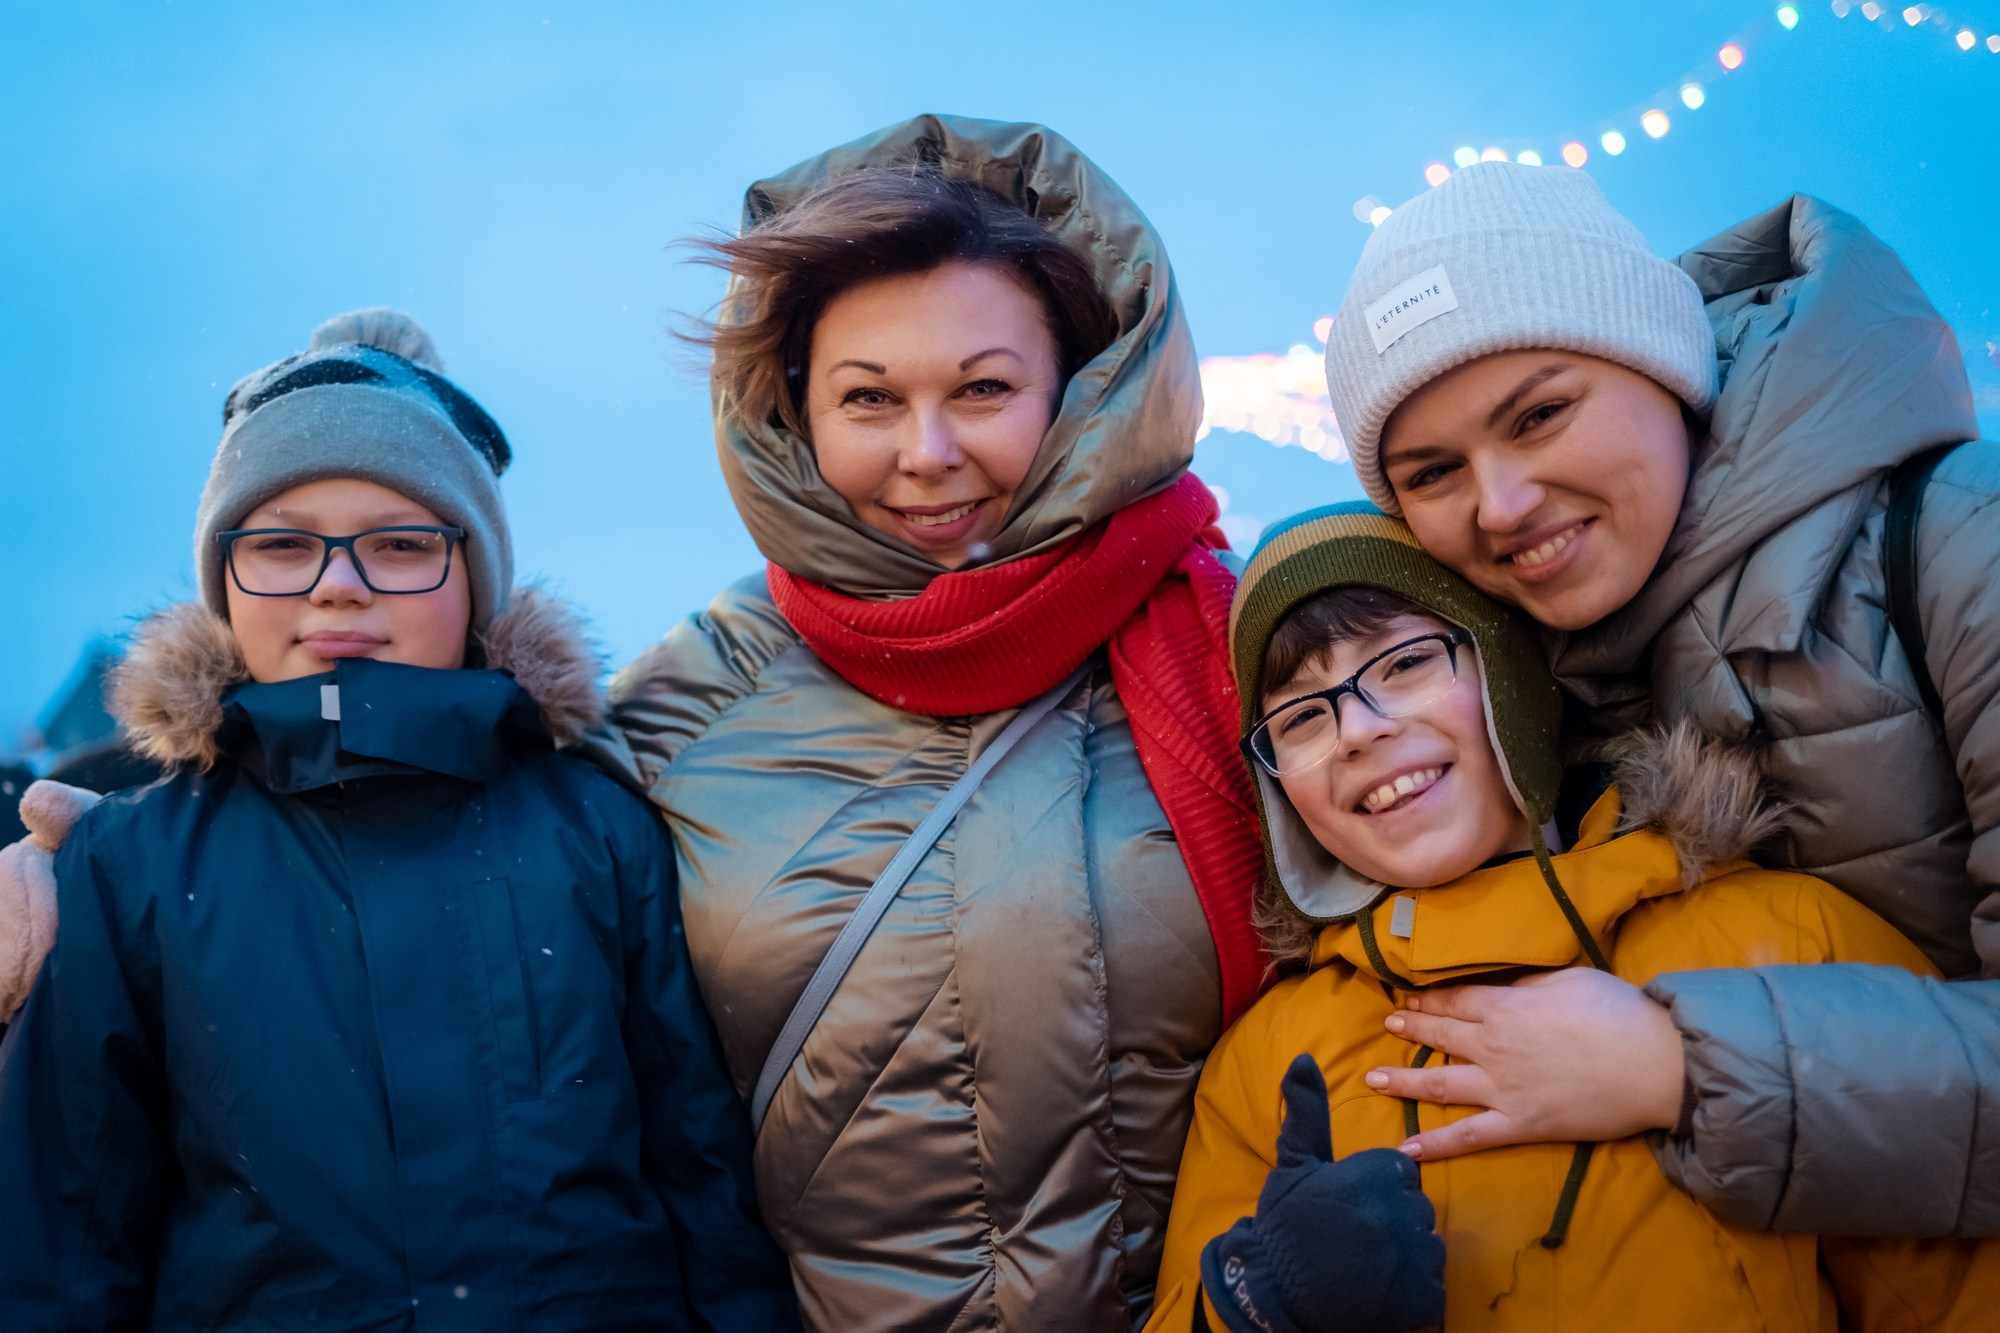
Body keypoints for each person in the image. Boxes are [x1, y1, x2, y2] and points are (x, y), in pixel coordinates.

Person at [591, 114, 1267, 1330]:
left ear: (1082, 388)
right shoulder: (680, 709)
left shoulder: (1246, 643)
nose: (928, 452)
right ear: (791, 411)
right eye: (869, 399)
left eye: (984, 389)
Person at [0, 310, 797, 1331]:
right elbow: (64, 1242)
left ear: (473, 579)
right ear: (223, 583)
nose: (340, 584)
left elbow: (705, 1191)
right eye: (282, 545)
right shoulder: (127, 863)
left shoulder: (598, 830)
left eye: (401, 543)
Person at [1318, 161, 2000, 1236]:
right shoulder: (1528, 696)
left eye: (1539, 413)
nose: (1500, 504)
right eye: (1432, 472)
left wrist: (1675, 1063)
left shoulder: (1962, 552)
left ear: (1666, 365)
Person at [1148, 501, 2000, 1333]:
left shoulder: (1783, 939)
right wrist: (1257, 1307)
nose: (1356, 732)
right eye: (1299, 716)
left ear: (1509, 673)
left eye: (1404, 663)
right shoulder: (1266, 1058)